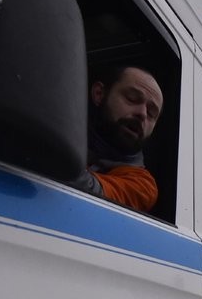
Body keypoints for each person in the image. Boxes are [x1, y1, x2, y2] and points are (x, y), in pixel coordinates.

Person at [70, 65, 163, 212]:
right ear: (99, 93)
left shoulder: (143, 185)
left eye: (151, 113)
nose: (143, 114)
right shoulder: (71, 128)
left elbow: (85, 192)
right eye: (132, 99)